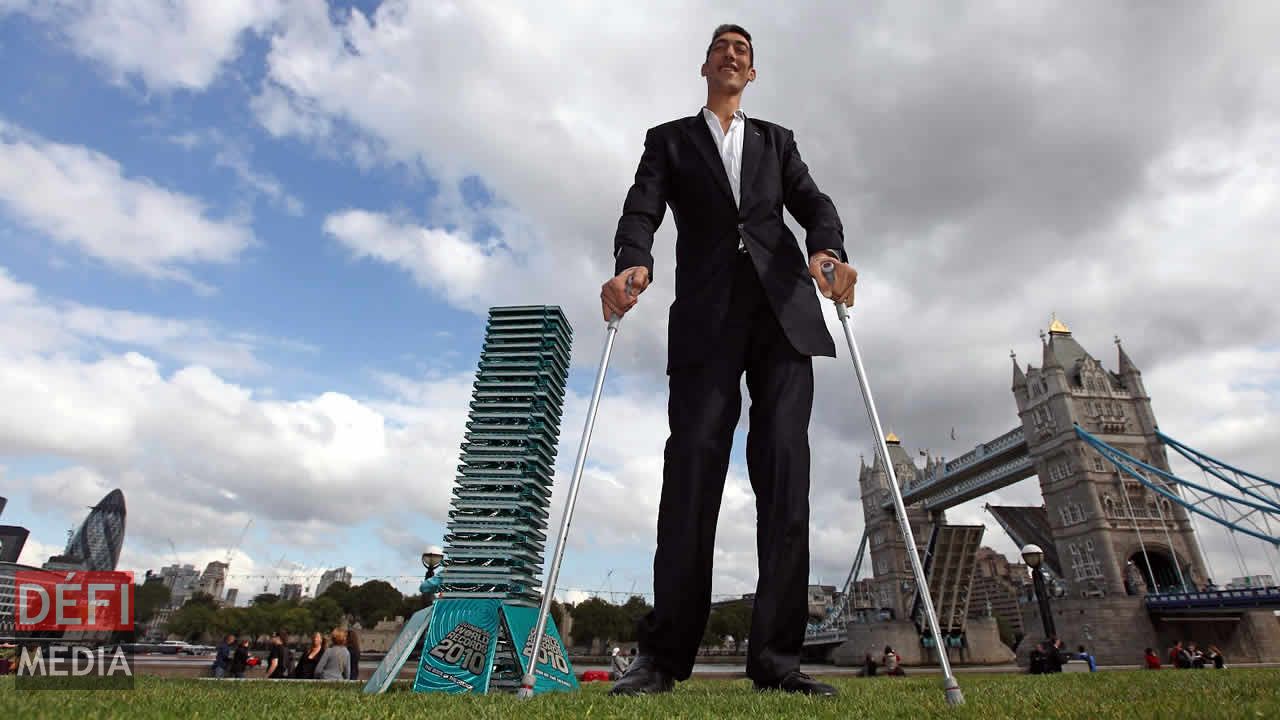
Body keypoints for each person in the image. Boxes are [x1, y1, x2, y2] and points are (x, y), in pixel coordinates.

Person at [604, 23, 856, 699]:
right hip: (706, 319)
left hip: (783, 315)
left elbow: (814, 205)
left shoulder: (778, 141)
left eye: (743, 49)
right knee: (692, 467)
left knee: (784, 467)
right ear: (705, 65)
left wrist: (827, 250)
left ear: (753, 71)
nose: (733, 54)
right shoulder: (670, 140)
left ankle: (777, 660)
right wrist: (633, 259)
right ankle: (661, 656)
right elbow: (642, 208)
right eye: (722, 46)